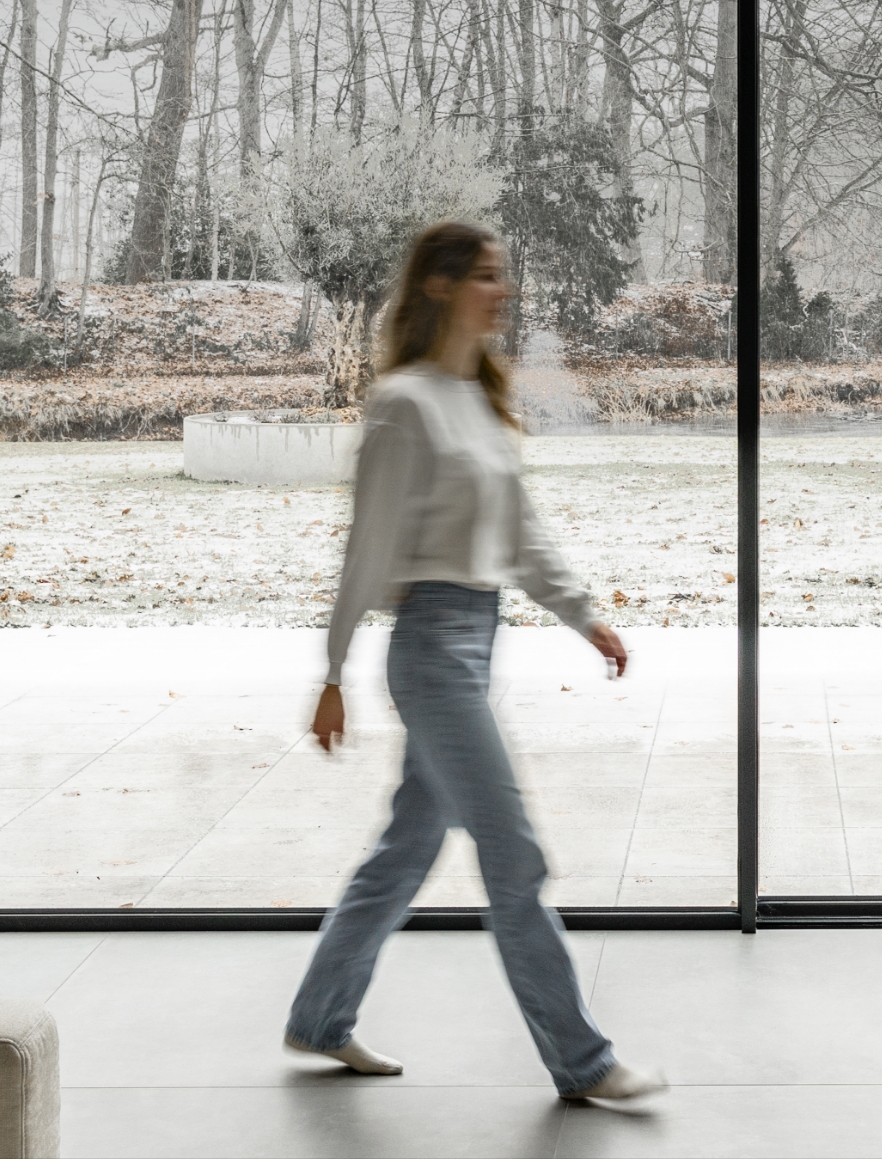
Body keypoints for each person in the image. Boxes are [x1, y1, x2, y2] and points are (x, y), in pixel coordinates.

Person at [281, 220, 666, 1105]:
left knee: (406, 850)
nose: (505, 291)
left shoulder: (481, 399)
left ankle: (318, 1019)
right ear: (442, 287)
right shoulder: (404, 403)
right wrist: (332, 675)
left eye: (504, 275)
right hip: (428, 653)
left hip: (478, 638)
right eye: (488, 276)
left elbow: (521, 535)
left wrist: (584, 618)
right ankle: (584, 1061)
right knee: (513, 853)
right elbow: (366, 549)